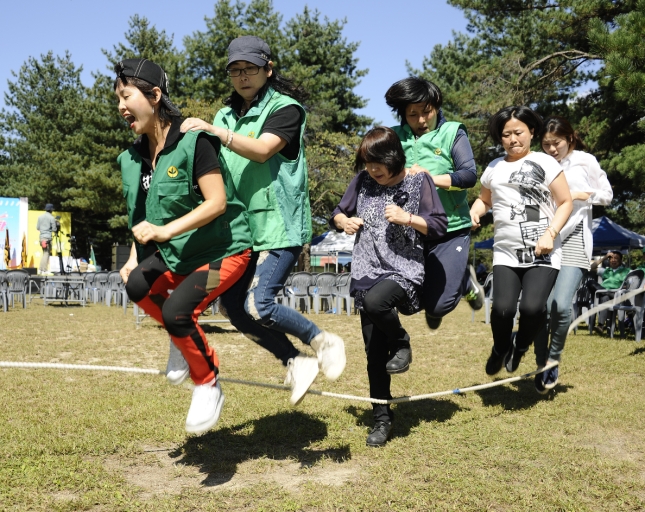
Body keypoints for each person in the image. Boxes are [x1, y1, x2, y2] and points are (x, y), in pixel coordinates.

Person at [180, 36, 346, 406]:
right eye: (235, 70)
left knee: (260, 304)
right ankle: (295, 361)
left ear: (268, 70)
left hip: (279, 227)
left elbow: (261, 150)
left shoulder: (286, 109)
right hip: (239, 231)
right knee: (233, 308)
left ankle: (321, 340)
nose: (242, 76)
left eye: (250, 69)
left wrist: (215, 132)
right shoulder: (224, 115)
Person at [114, 58, 253, 435]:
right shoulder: (132, 159)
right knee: (137, 285)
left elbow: (217, 203)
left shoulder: (195, 141)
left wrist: (166, 231)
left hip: (225, 252)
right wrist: (132, 257)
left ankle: (208, 383)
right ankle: (180, 339)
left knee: (177, 311)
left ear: (155, 96)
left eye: (127, 96)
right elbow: (141, 215)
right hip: (178, 255)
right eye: (118, 100)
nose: (121, 107)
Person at [331, 127, 448, 446]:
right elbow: (338, 213)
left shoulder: (417, 181)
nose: (372, 170)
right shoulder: (363, 181)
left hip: (403, 267)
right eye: (367, 163)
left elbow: (438, 224)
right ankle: (382, 418)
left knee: (376, 302)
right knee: (373, 353)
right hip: (366, 265)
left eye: (376, 163)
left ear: (393, 157)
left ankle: (402, 340)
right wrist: (345, 222)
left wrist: (407, 217)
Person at [470, 106, 573, 378]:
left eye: (518, 133)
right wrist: (475, 211)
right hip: (506, 252)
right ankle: (500, 348)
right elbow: (485, 200)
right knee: (502, 310)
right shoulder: (494, 167)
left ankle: (520, 346)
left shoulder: (546, 163)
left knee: (532, 308)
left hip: (543, 251)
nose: (513, 139)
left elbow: (565, 202)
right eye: (506, 135)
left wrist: (550, 233)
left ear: (531, 132)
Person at [385, 77, 484, 332]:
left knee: (437, 307)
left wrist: (430, 178)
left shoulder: (452, 132)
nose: (420, 120)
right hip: (411, 231)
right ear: (402, 114)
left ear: (436, 106)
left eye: (426, 111)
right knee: (405, 300)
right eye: (412, 114)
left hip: (450, 229)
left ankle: (464, 282)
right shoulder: (394, 137)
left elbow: (469, 175)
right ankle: (454, 280)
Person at [533, 116, 613, 392]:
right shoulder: (540, 164)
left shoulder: (585, 160)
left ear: (569, 138)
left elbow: (607, 194)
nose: (552, 149)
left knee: (561, 305)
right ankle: (540, 362)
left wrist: (581, 194)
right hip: (546, 240)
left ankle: (553, 359)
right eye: (546, 144)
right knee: (539, 307)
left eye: (557, 143)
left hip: (576, 237)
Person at [587, 250, 629, 335]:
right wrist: (604, 257)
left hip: (617, 295)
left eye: (616, 258)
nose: (613, 260)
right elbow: (590, 267)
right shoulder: (606, 271)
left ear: (620, 261)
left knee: (604, 296)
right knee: (591, 283)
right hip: (604, 293)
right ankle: (601, 326)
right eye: (611, 258)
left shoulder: (626, 271)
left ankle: (600, 325)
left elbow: (631, 283)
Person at [36, 204, 58, 275]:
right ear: (51, 210)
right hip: (48, 238)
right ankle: (43, 269)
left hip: (41, 237)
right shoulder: (51, 218)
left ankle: (41, 269)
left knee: (44, 253)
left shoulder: (40, 217)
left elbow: (38, 228)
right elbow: (54, 229)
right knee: (46, 253)